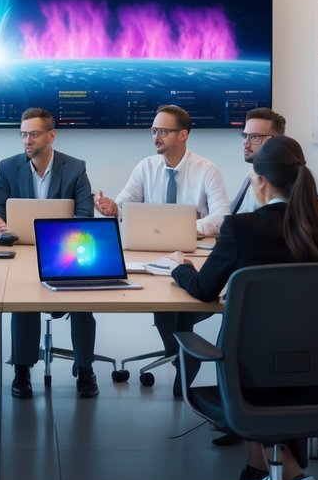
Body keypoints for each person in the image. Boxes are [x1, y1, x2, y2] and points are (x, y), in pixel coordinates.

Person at [166, 135, 318, 480]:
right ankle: (263, 467)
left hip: (251, 379)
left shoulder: (241, 228)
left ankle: (287, 472)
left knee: (248, 351)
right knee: (264, 348)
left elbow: (204, 290)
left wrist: (180, 270)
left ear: (261, 181)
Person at [93, 104, 229, 394]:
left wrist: (187, 228)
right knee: (163, 300)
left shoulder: (206, 170)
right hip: (152, 254)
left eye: (163, 131)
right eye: (154, 130)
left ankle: (182, 355)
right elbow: (125, 204)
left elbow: (221, 217)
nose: (156, 136)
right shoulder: (146, 166)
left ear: (183, 135)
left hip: (194, 255)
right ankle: (184, 354)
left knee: (177, 305)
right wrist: (111, 208)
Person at [0, 108, 97, 399]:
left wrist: (63, 242)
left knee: (83, 300)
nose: (27, 140)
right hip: (22, 249)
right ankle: (21, 370)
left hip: (66, 253)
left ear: (51, 136)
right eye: (23, 134)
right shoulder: (9, 167)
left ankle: (85, 368)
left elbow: (85, 216)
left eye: (33, 134)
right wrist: (0, 227)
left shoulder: (75, 168)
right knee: (23, 299)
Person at [229, 107, 285, 215]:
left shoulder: (274, 183)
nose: (246, 142)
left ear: (274, 141)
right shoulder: (252, 175)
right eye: (245, 136)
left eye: (254, 137)